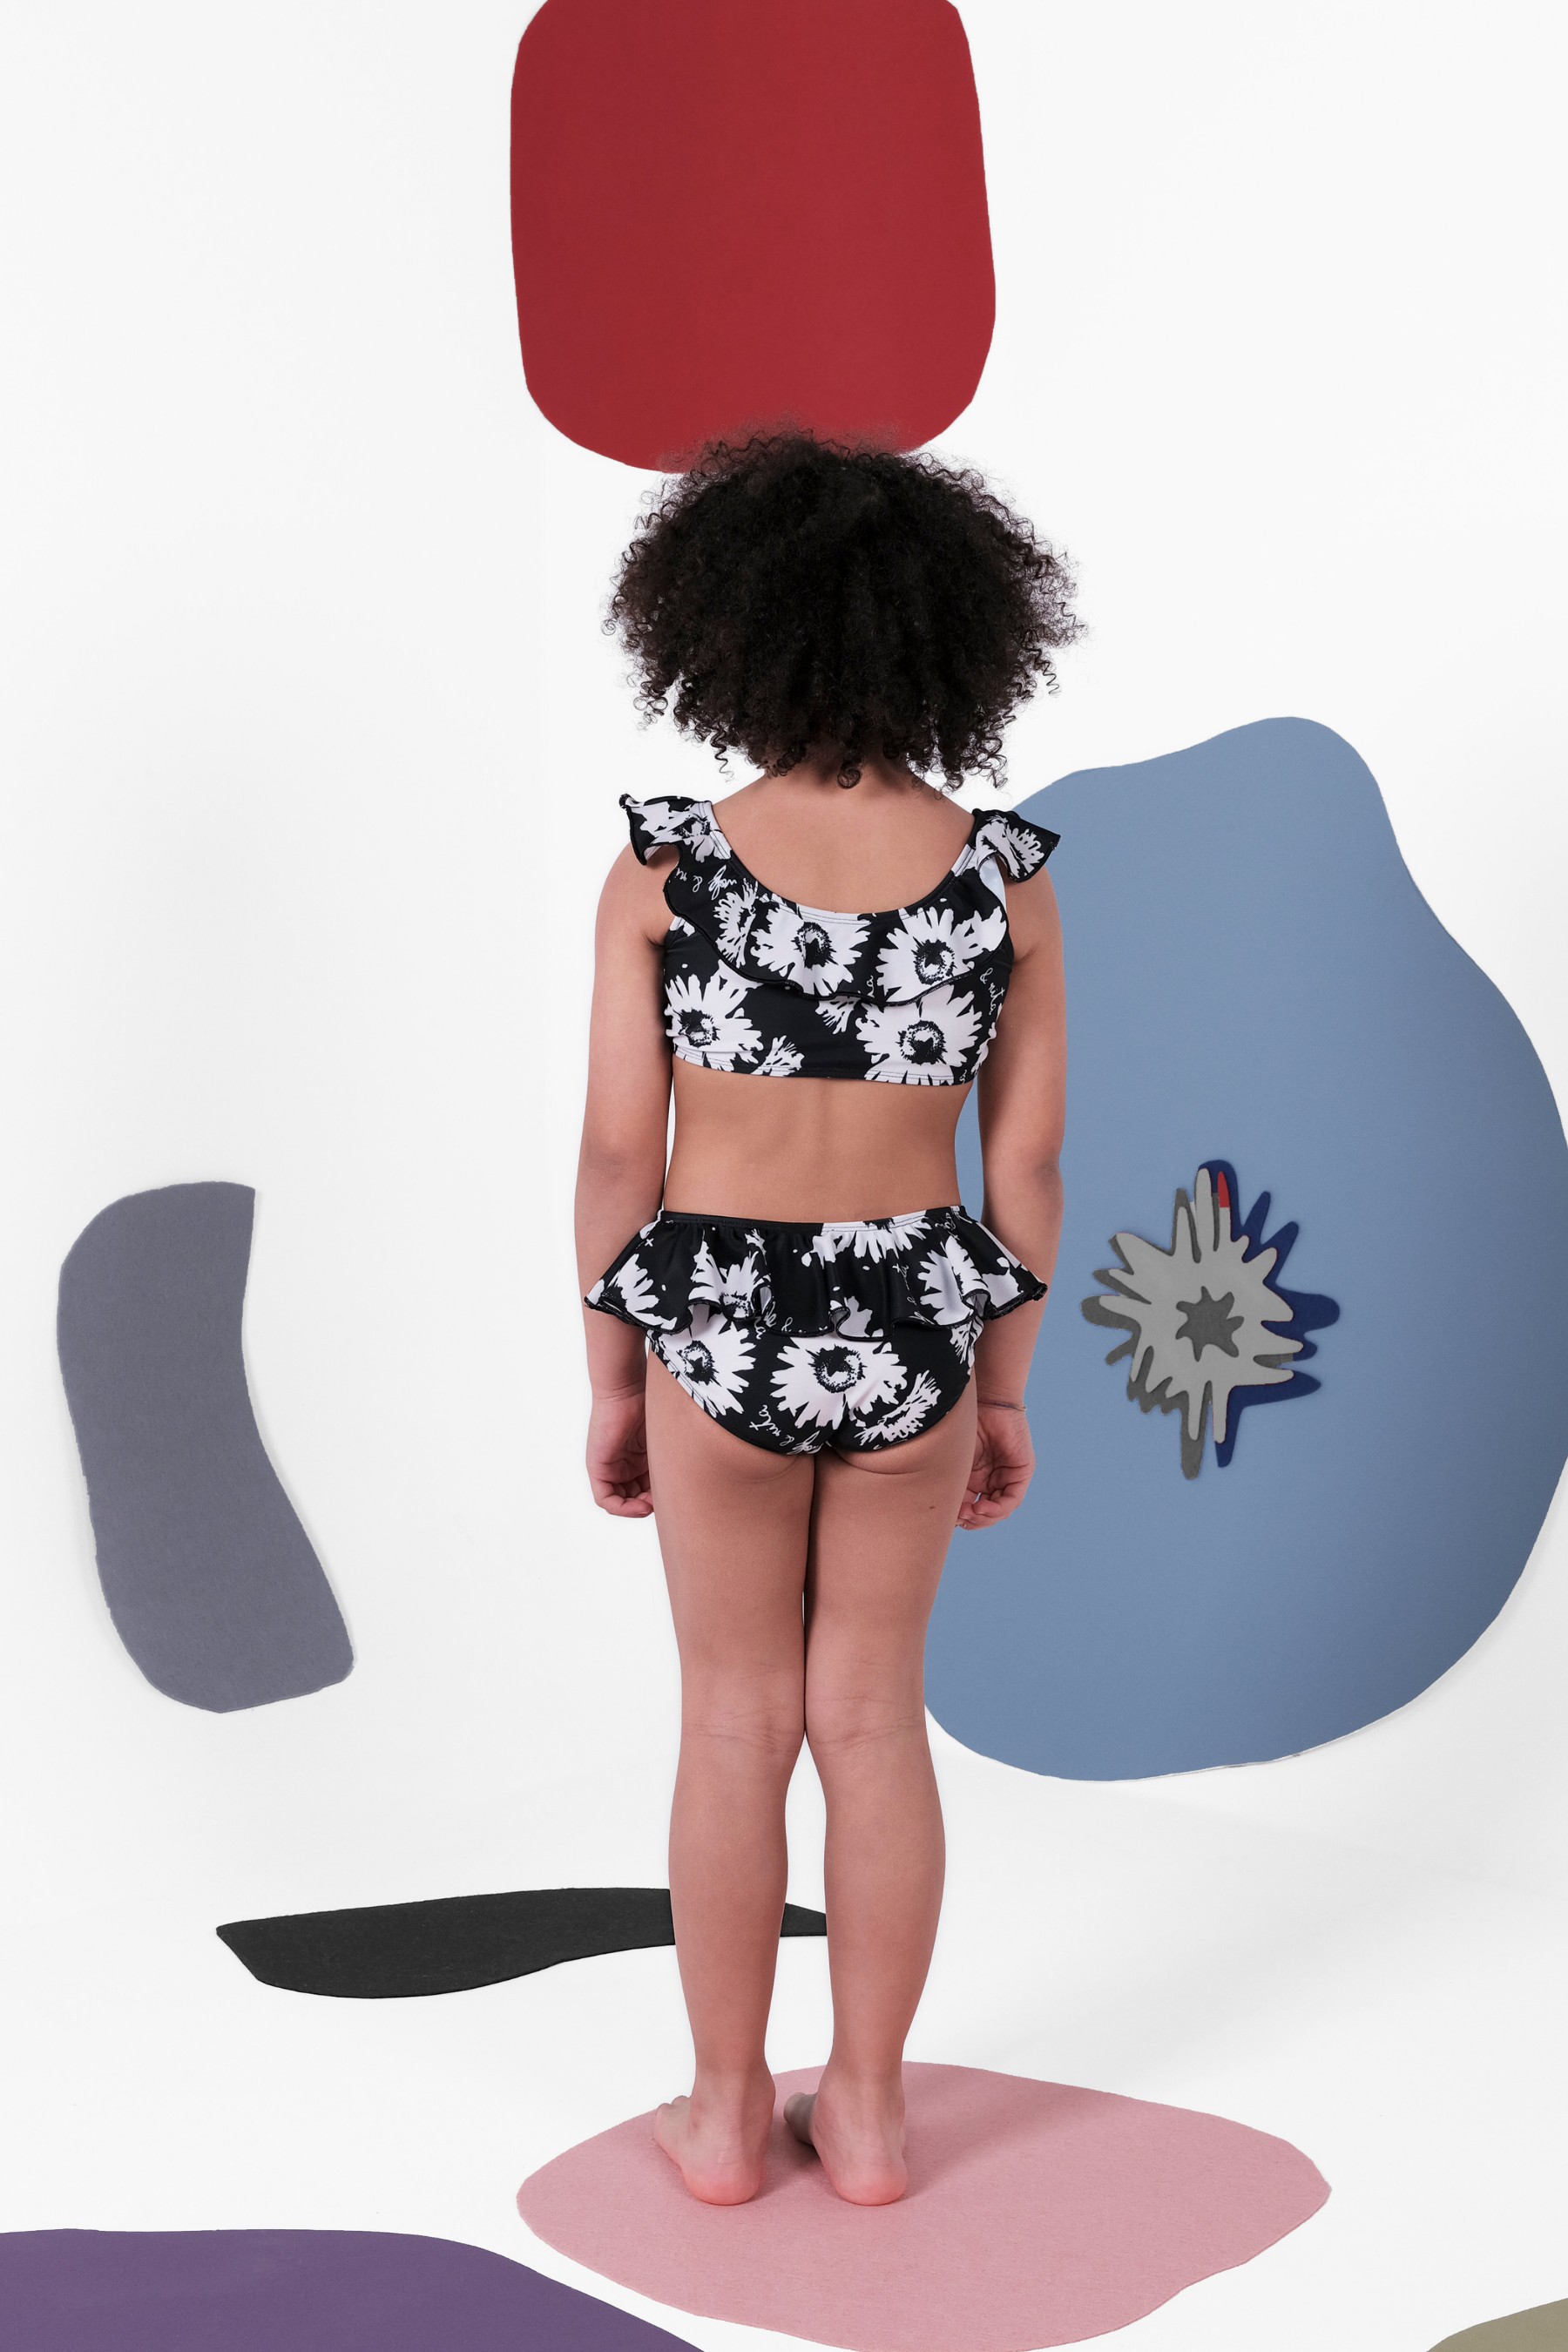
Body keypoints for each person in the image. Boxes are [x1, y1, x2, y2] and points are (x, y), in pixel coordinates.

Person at [574, 430, 1077, 2208]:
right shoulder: (1004, 876)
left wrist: (615, 1376)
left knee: (733, 1717)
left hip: (715, 1310)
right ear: (955, 639)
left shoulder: (667, 869)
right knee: (872, 1718)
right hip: (917, 1313)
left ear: (725, 630)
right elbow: (1029, 1167)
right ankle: (864, 2112)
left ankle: (724, 2117)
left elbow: (619, 1154)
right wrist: (1002, 1393)